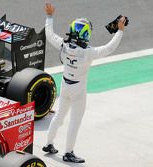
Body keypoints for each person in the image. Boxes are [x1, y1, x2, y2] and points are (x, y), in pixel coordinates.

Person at [42, 3, 126, 163]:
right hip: (78, 90)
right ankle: (68, 152)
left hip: (65, 85)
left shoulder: (63, 45)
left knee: (58, 116)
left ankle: (48, 144)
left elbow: (49, 34)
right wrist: (120, 31)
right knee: (75, 122)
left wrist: (49, 16)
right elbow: (109, 48)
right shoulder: (88, 53)